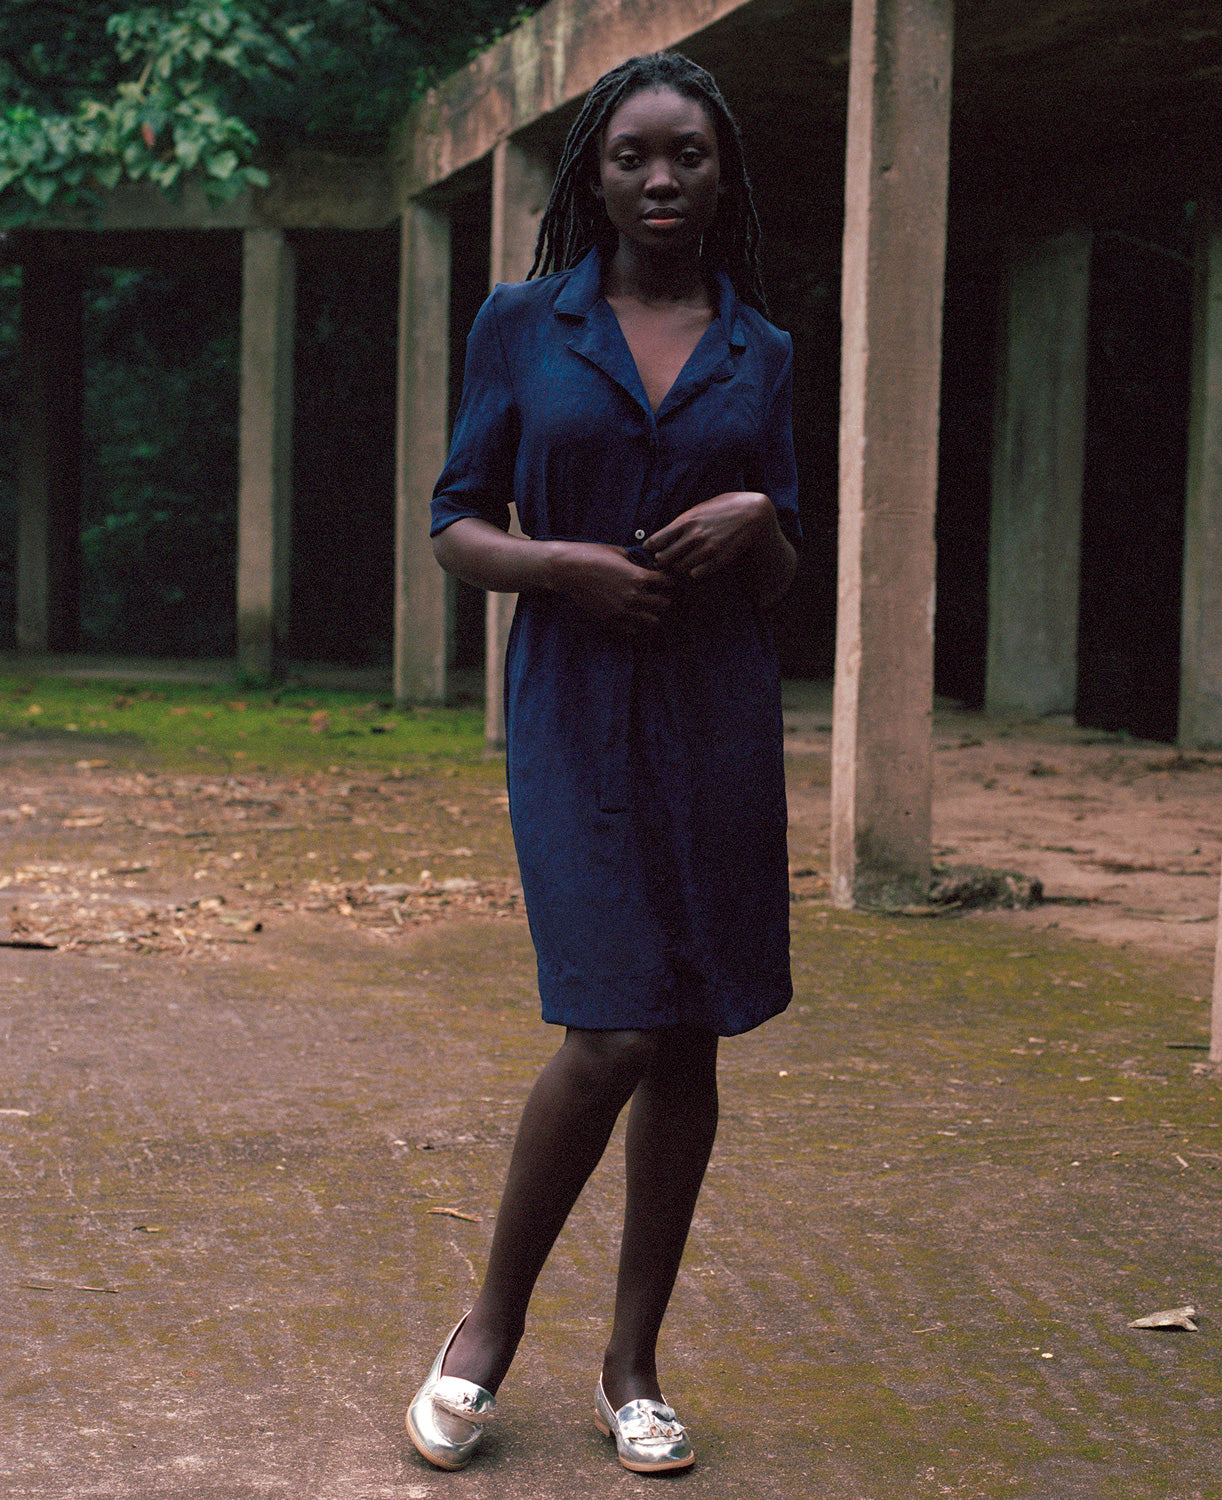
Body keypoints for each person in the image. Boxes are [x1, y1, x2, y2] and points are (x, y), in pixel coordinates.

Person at [406, 50, 800, 1475]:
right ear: (593, 173)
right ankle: (486, 1331)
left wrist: (758, 519)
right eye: (631, 154)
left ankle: (634, 1366)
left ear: (719, 173)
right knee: (613, 1027)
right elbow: (454, 519)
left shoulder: (760, 352)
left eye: (685, 156)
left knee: (687, 1032)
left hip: (714, 717)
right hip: (574, 712)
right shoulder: (521, 325)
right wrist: (559, 567)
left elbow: (782, 577)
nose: (658, 180)